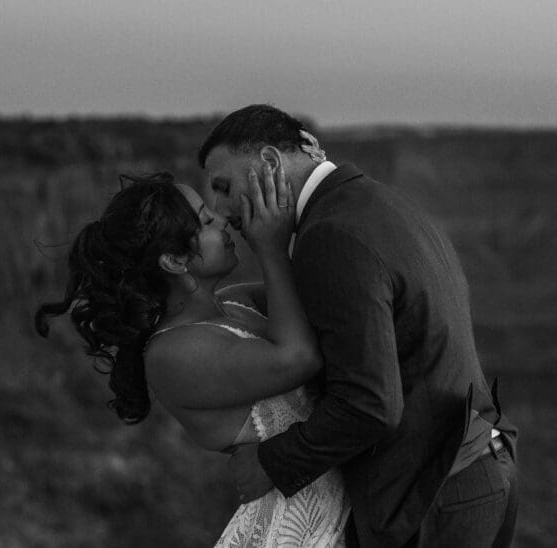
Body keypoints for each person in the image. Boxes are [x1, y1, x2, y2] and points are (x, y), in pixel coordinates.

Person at [198, 104, 519, 547]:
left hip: (437, 494)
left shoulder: (330, 235)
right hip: (478, 472)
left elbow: (370, 404)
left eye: (223, 186)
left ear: (270, 162)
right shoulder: (375, 202)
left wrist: (271, 462)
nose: (220, 208)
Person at [35, 168, 350, 546]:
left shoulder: (237, 302)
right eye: (205, 221)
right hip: (294, 534)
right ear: (173, 260)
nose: (222, 221)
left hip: (340, 508)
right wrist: (271, 249)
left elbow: (325, 291)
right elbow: (299, 358)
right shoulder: (172, 354)